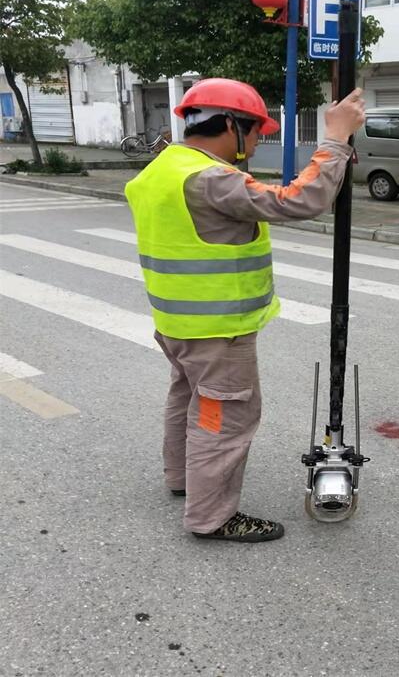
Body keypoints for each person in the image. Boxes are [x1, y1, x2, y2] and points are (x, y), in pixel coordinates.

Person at [125, 78, 365, 543]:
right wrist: (334, 140)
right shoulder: (210, 178)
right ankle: (211, 516)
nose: (259, 140)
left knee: (189, 400)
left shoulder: (164, 169)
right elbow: (302, 200)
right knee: (224, 417)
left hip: (178, 323)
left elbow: (244, 198)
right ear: (231, 125)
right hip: (218, 330)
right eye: (257, 131)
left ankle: (184, 480)